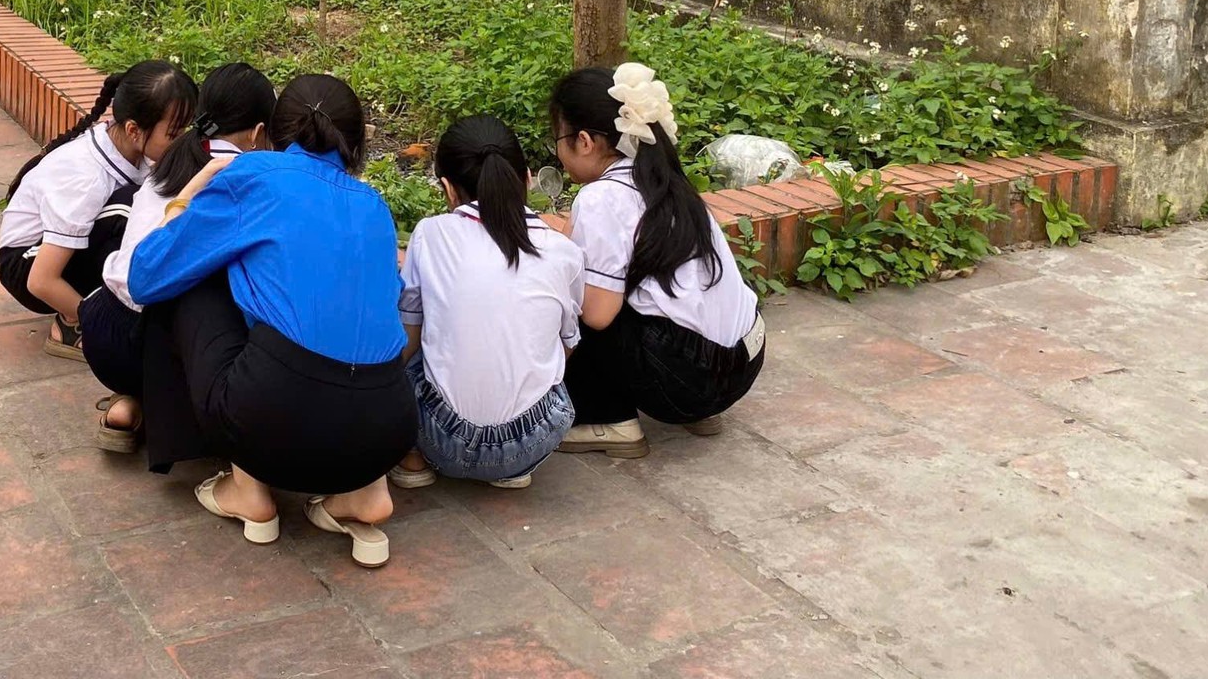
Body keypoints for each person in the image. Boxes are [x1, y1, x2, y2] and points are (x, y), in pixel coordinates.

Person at [127, 74, 415, 568]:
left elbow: (147, 276)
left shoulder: (255, 174)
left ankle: (248, 490)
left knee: (196, 279)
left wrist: (182, 203)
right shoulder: (374, 207)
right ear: (356, 144)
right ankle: (365, 494)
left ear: (267, 134)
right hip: (388, 428)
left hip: (272, 424)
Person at [548, 64, 765, 458]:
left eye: (557, 140)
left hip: (692, 381)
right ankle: (699, 410)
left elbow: (597, 316)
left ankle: (609, 419)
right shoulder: (664, 179)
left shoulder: (600, 198)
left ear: (584, 141)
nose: (558, 154)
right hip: (745, 360)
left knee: (578, 301)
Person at [83, 62, 276, 454]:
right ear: (259, 133)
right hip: (150, 342)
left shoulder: (177, 155)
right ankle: (164, 408)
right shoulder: (241, 174)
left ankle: (130, 402)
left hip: (101, 327)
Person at [390, 115, 584, 491]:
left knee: (415, 331)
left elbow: (409, 338)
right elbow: (566, 345)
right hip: (531, 439)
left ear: (448, 188)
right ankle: (509, 469)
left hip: (440, 437)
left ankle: (413, 458)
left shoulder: (431, 234)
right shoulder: (564, 251)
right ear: (527, 178)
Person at [0, 61, 196, 357]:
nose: (183, 142)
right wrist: (99, 326)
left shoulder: (127, 147)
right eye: (175, 134)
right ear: (134, 130)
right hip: (26, 266)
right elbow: (41, 280)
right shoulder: (86, 178)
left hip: (54, 255)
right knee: (131, 208)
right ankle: (72, 324)